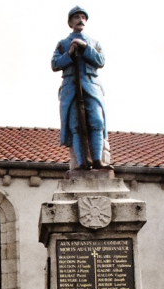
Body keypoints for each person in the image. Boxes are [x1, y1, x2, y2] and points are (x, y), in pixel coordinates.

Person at [52, 6, 111, 170]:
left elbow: (100, 60)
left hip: (91, 87)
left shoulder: (94, 43)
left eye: (83, 17)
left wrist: (84, 47)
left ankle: (98, 160)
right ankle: (81, 162)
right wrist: (70, 53)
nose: (80, 20)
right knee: (76, 124)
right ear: (70, 22)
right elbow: (55, 64)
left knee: (97, 122)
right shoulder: (63, 44)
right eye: (76, 17)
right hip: (71, 88)